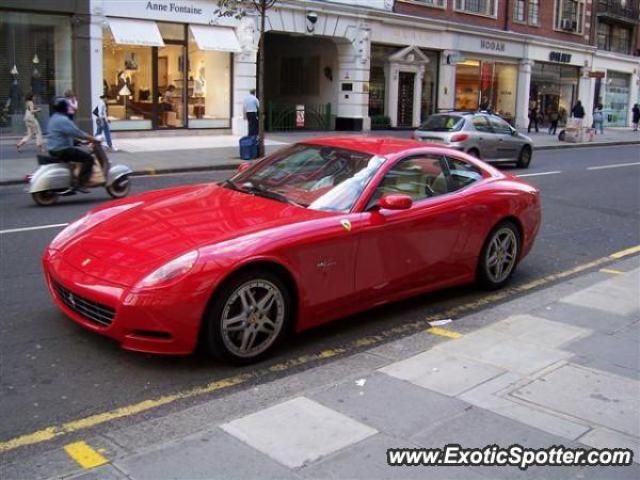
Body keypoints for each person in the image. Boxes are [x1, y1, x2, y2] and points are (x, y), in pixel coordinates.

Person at [47, 98, 97, 192]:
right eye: (67, 106)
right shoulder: (63, 120)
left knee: (76, 159)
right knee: (88, 159)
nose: (69, 108)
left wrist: (78, 142)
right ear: (64, 108)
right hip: (62, 150)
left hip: (54, 148)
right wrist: (93, 139)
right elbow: (78, 132)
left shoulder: (54, 117)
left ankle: (73, 180)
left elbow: (63, 135)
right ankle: (81, 183)